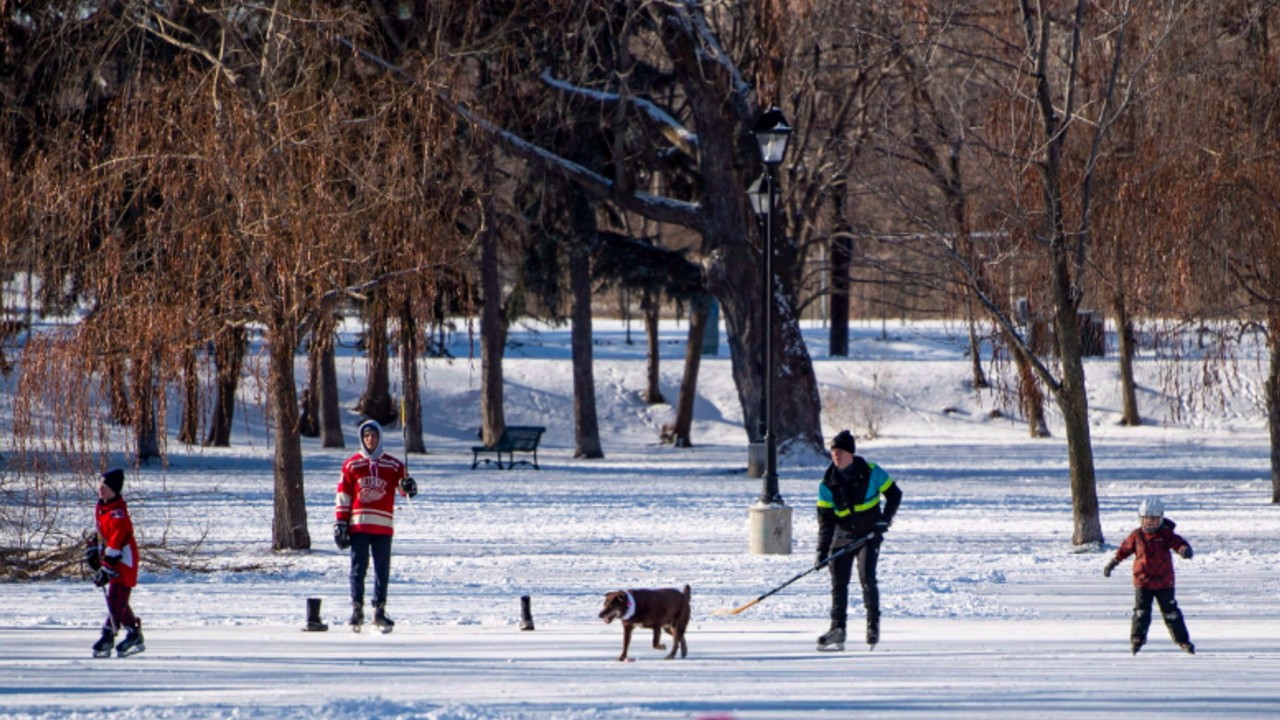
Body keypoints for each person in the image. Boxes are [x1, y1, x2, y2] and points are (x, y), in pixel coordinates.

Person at [815, 429, 902, 651]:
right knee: (838, 583)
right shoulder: (827, 483)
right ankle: (837, 629)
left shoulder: (872, 472)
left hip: (868, 535)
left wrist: (884, 521)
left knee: (867, 577)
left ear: (851, 453)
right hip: (842, 536)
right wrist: (822, 552)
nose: (836, 455)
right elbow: (825, 523)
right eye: (833, 451)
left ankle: (872, 626)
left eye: (840, 451)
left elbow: (894, 494)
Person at [334, 419, 417, 633]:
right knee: (358, 569)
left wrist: (408, 486)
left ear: (380, 437)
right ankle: (357, 609)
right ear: (362, 439)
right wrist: (341, 522)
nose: (370, 439)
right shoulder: (351, 465)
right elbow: (344, 495)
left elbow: (404, 488)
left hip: (383, 526)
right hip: (359, 525)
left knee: (382, 569)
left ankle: (379, 610)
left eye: (374, 435)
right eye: (367, 436)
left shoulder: (393, 465)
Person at [1103, 495, 1195, 655]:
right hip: (1143, 581)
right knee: (1141, 612)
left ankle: (1183, 641)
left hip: (1164, 582)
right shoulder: (1137, 535)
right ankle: (1137, 638)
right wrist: (1113, 563)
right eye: (1147, 519)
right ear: (1141, 519)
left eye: (1154, 519)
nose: (1150, 522)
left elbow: (1178, 543)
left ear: (1161, 518)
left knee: (1171, 613)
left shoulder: (1165, 534)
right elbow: (1124, 550)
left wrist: (1184, 550)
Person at [86, 468, 144, 658]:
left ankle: (108, 635)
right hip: (111, 557)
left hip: (124, 560)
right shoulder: (102, 507)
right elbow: (101, 532)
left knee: (116, 597)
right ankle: (134, 634)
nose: (100, 489)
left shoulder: (118, 515)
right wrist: (93, 548)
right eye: (100, 484)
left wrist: (107, 567)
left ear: (114, 489)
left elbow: (116, 542)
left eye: (105, 486)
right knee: (119, 600)